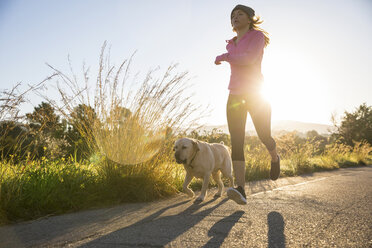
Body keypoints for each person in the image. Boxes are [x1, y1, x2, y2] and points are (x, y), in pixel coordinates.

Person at [215, 5, 280, 205]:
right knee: (236, 139)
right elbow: (237, 59)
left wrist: (225, 57)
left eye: (239, 14)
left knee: (263, 135)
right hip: (235, 96)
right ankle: (241, 189)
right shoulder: (231, 43)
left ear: (250, 18)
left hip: (256, 94)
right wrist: (227, 54)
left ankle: (275, 156)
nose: (235, 17)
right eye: (232, 15)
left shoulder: (257, 36)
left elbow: (249, 59)